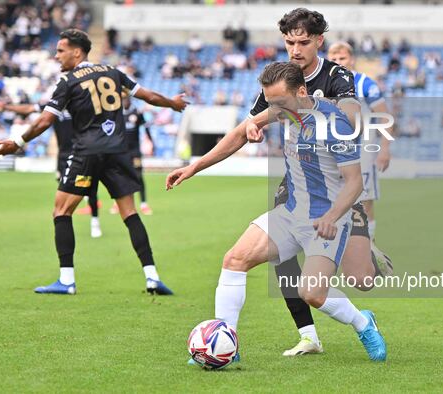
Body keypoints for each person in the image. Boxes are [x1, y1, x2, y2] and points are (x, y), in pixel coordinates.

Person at [166, 8, 392, 357]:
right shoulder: (279, 81)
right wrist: (196, 166)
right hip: (297, 193)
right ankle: (232, 342)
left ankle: (363, 318)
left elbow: (351, 116)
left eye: (303, 42)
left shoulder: (336, 77)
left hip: (335, 194)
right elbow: (245, 129)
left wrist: (305, 111)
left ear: (319, 41)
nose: (296, 49)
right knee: (236, 259)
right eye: (290, 42)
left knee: (354, 281)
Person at [0, 29, 187, 295]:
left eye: (61, 50)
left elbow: (45, 120)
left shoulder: (68, 81)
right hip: (118, 152)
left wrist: (18, 143)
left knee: (61, 211)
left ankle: (66, 280)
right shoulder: (113, 72)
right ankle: (152, 277)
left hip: (86, 152)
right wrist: (173, 104)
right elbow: (149, 97)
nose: (57, 55)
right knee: (129, 213)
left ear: (77, 51)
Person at [0, 100, 103, 238]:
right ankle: (64, 225)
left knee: (90, 189)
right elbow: (29, 108)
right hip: (63, 155)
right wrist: (6, 106)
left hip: (82, 154)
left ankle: (95, 222)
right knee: (63, 189)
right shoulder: (56, 104)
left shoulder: (81, 101)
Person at [327, 42, 394, 242]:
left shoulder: (365, 83)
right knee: (331, 198)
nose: (338, 62)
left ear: (352, 59)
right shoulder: (324, 84)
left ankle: (369, 246)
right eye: (334, 59)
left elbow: (384, 116)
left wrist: (384, 148)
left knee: (364, 200)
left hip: (363, 150)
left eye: (342, 58)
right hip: (334, 150)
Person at [110, 94, 154, 215]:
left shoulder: (137, 113)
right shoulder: (117, 113)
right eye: (122, 99)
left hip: (134, 151)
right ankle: (117, 203)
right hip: (121, 151)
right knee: (120, 176)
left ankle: (144, 204)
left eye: (126, 98)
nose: (125, 101)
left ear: (130, 99)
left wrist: (151, 141)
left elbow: (146, 127)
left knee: (138, 176)